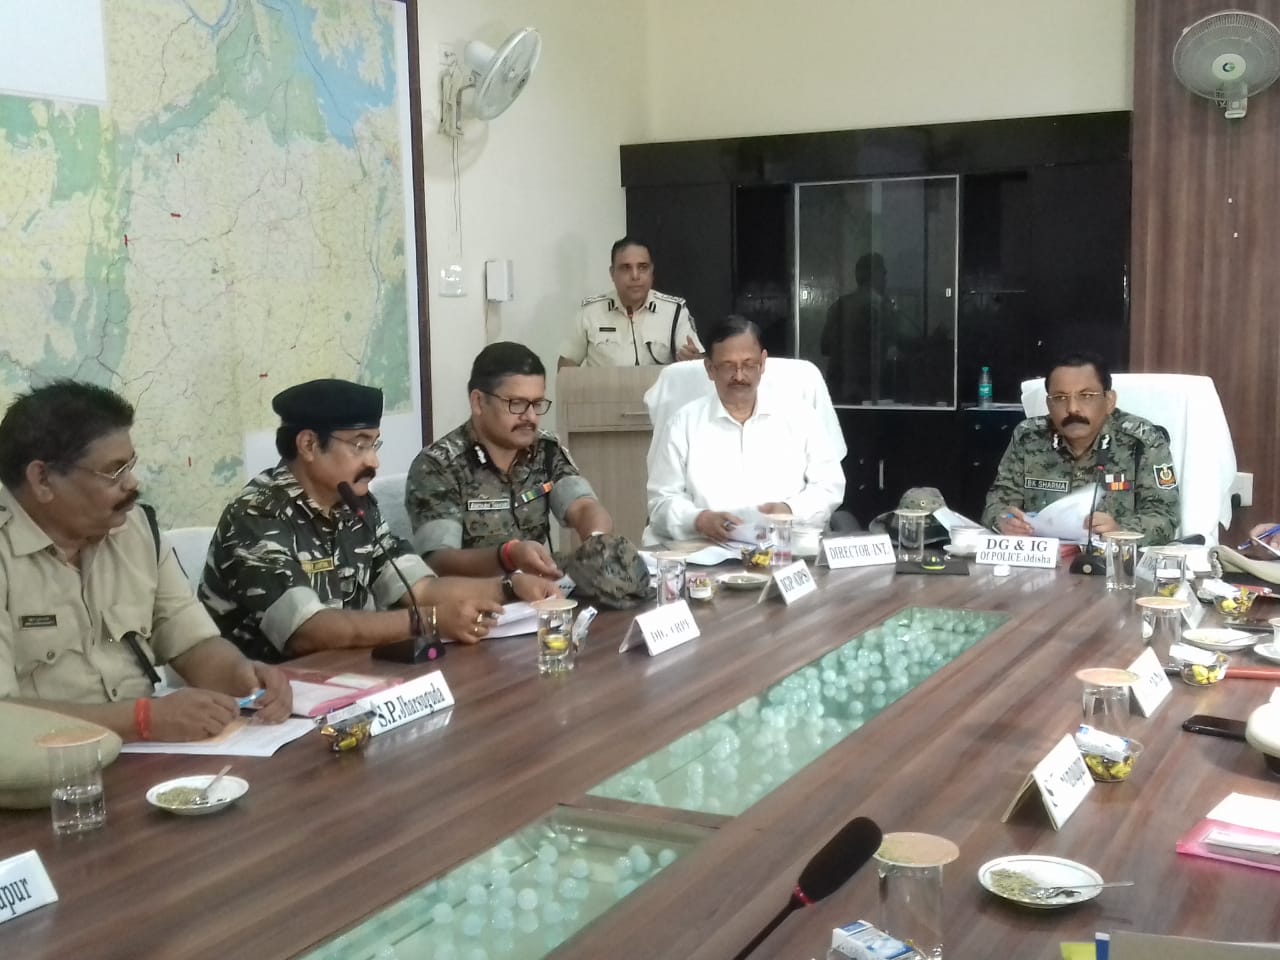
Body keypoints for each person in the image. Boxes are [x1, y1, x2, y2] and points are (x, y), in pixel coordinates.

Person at [0, 380, 292, 743]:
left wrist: (243, 675)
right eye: (114, 471)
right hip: (48, 768)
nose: (132, 484)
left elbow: (191, 642)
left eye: (130, 465)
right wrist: (140, 719)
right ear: (42, 479)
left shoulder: (134, 529)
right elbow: (6, 717)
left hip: (145, 754)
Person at [200, 379, 543, 656]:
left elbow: (420, 588)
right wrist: (430, 620)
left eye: (374, 445)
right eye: (358, 445)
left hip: (345, 677)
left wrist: (509, 587)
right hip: (260, 699)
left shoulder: (355, 504)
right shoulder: (257, 514)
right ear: (308, 445)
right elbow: (306, 630)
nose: (373, 462)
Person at [406, 343, 616, 581]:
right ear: (478, 402)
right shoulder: (438, 465)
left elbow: (583, 506)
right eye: (516, 404)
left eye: (537, 404)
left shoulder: (545, 450)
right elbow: (438, 561)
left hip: (537, 592)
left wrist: (596, 540)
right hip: (474, 598)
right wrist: (508, 556)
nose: (531, 417)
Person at [646, 316, 846, 542]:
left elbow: (829, 487)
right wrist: (699, 520)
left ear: (763, 363)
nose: (739, 376)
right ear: (710, 369)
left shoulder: (800, 416)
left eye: (749, 365)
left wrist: (789, 510)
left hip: (785, 548)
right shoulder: (682, 424)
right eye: (728, 366)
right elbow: (661, 502)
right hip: (707, 550)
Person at [981, 351, 1180, 543]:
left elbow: (1165, 516)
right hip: (1042, 558)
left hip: (1111, 560)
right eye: (1060, 398)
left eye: (1086, 396)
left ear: (1109, 401)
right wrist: (1004, 522)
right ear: (1048, 404)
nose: (1072, 409)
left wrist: (1120, 531)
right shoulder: (1029, 437)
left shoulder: (1142, 440)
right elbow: (997, 503)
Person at [558, 237, 703, 367]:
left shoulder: (673, 311)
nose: (635, 276)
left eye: (643, 267)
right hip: (603, 389)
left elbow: (698, 360)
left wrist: (693, 358)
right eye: (626, 268)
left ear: (652, 271)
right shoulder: (591, 312)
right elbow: (567, 363)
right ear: (612, 273)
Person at [820, 252, 904, 403]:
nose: (886, 278)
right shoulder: (881, 308)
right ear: (874, 274)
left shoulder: (840, 305)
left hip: (840, 390)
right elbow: (894, 345)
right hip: (868, 392)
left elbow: (825, 346)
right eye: (883, 273)